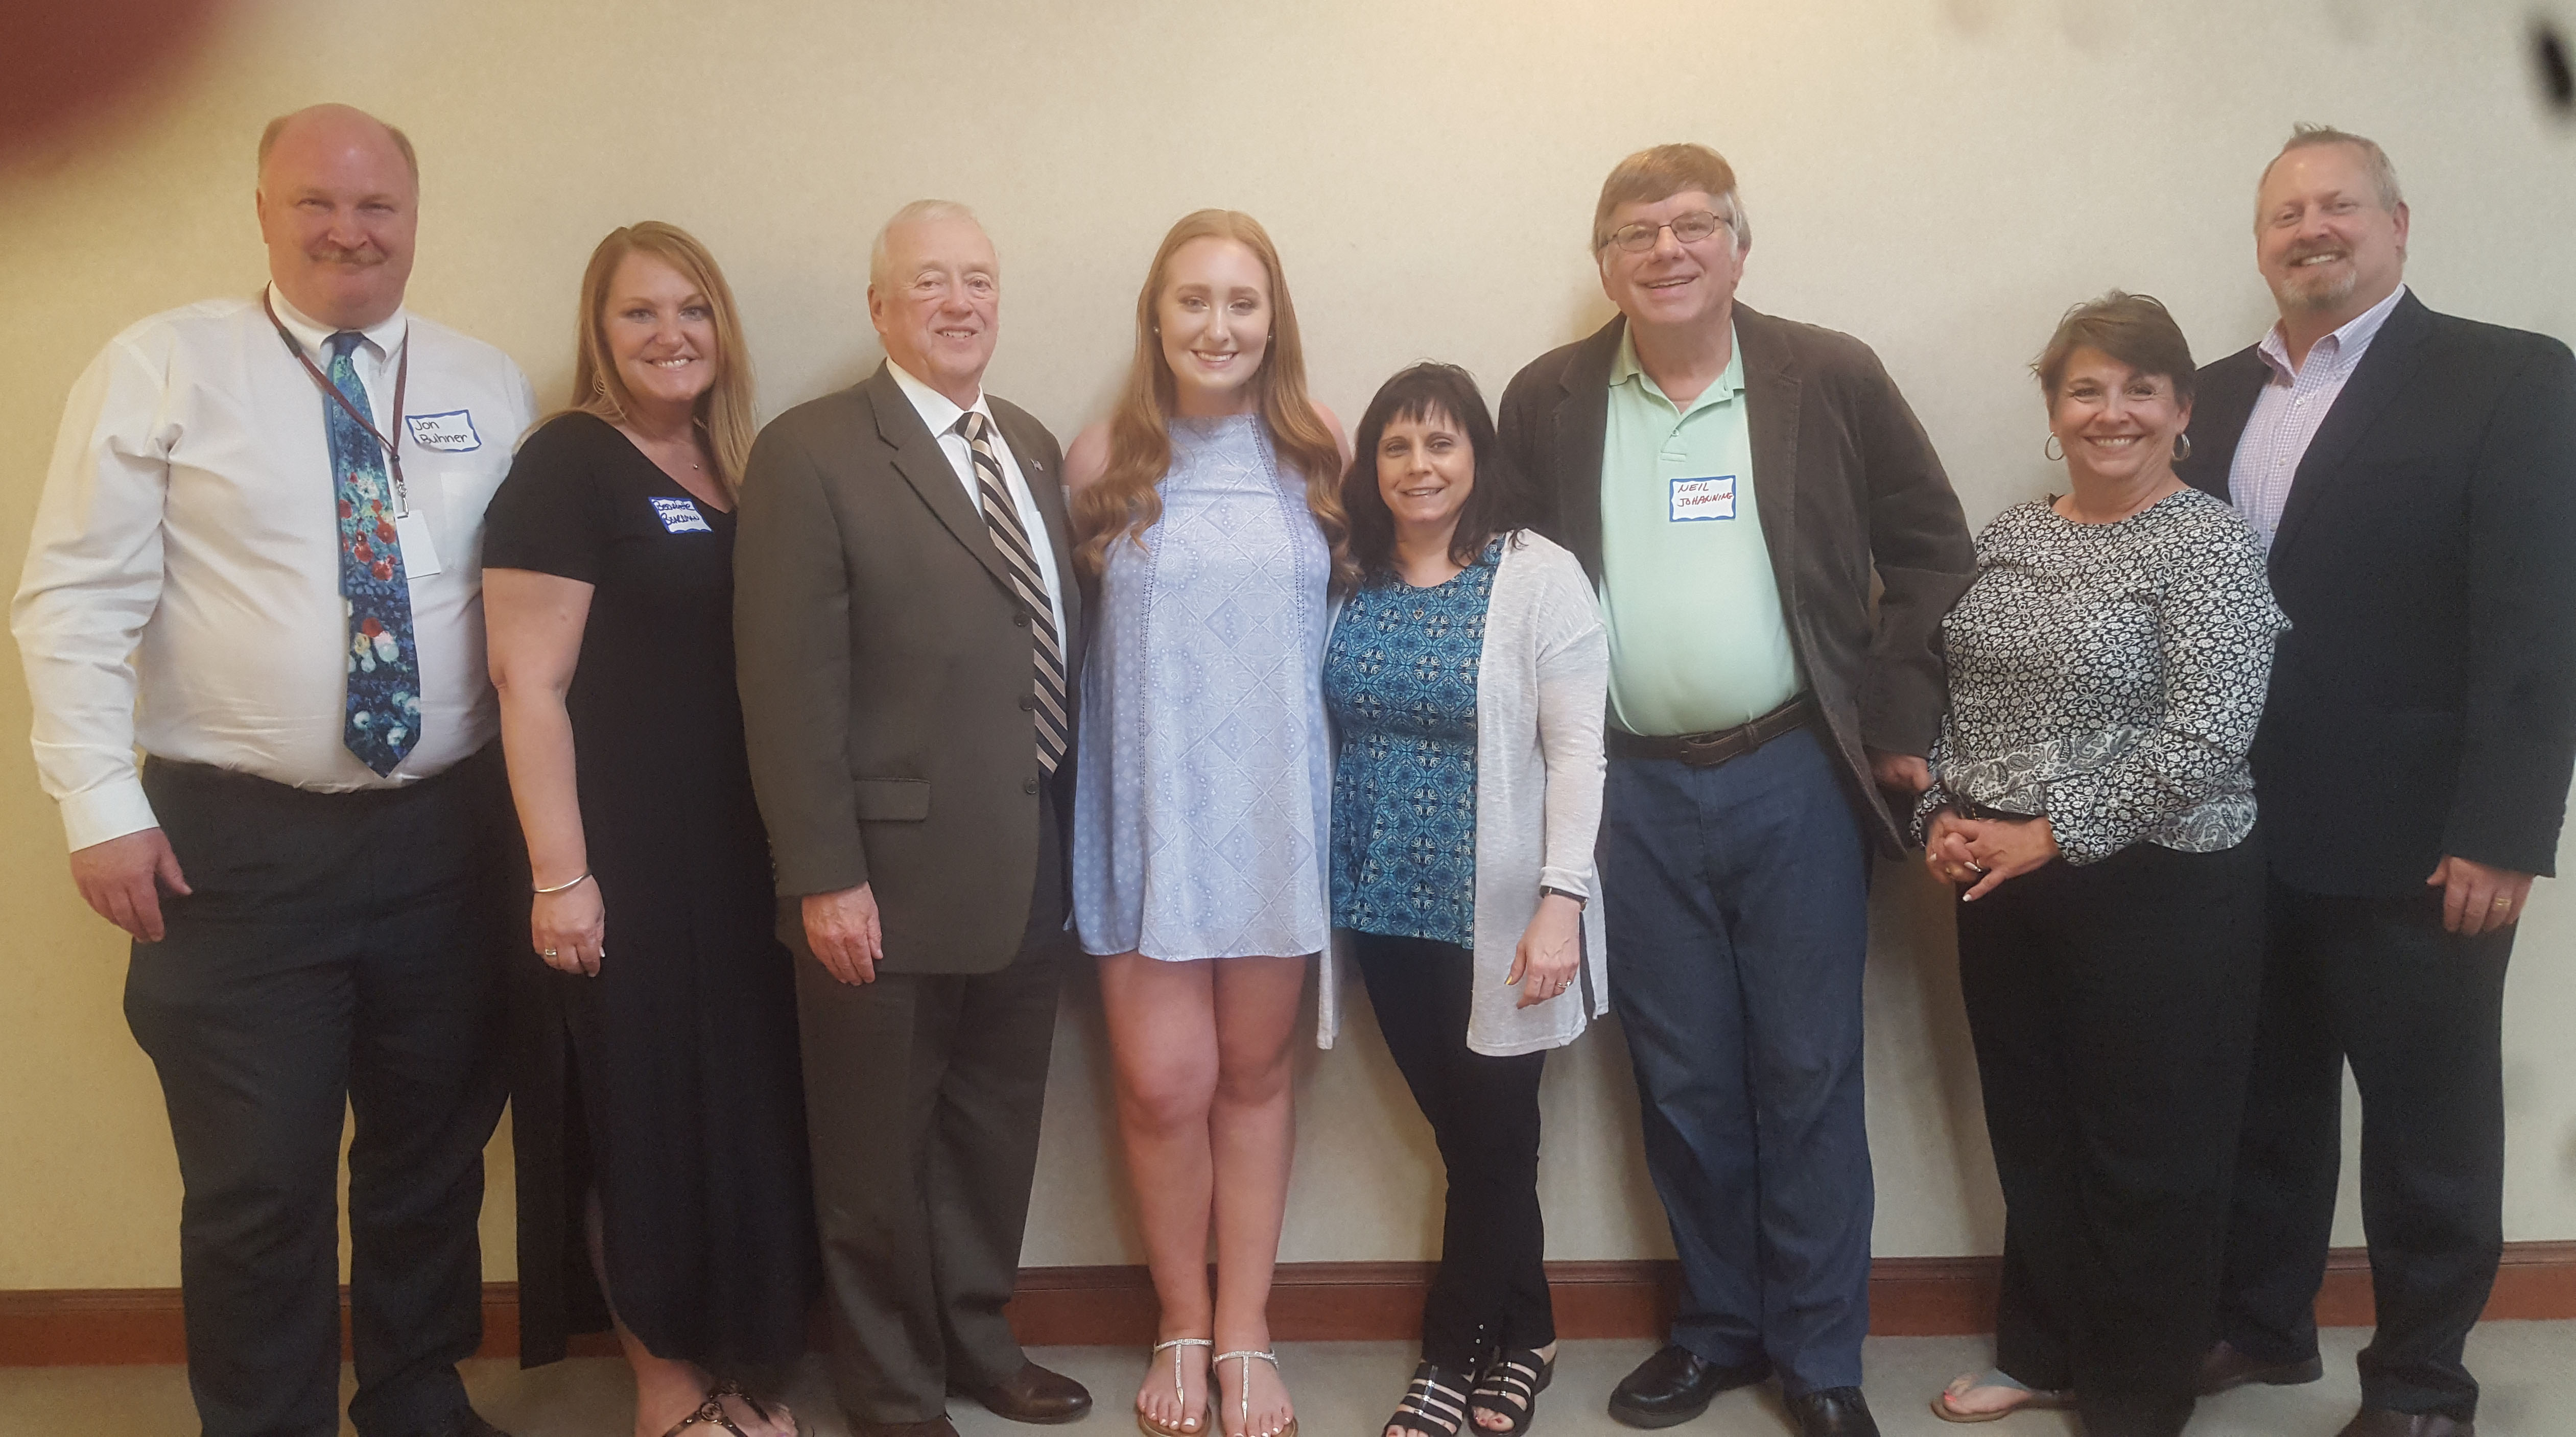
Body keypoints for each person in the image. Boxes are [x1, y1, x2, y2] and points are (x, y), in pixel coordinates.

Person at [11, 104, 532, 1437]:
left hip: (449, 841)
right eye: (316, 202)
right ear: (262, 211)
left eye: (377, 207)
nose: (349, 229)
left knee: (433, 1152)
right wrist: (97, 805)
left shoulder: (484, 381)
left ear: (416, 220)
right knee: (260, 1177)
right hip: (232, 850)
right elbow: (74, 598)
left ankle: (414, 1387)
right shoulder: (163, 367)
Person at [1497, 142, 1974, 1437]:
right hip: (1626, 796)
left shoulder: (1827, 374)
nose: (1665, 250)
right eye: (1634, 232)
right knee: (1683, 1076)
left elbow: (1931, 550)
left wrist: (1893, 716)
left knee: (1808, 1071)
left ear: (1738, 247)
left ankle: (1818, 1357)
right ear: (1601, 262)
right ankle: (1715, 1330)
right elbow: (1506, 592)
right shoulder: (1546, 399)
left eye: (1692, 224)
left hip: (1793, 781)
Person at [2179, 126, 2576, 1437]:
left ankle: (2418, 1384)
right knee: (2262, 1104)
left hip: (2419, 840)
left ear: (2397, 226)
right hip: (2232, 829)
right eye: (2285, 212)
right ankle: (2261, 1324)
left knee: (2428, 1132)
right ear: (2258, 243)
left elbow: (2536, 620)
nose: (2312, 229)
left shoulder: (2505, 377)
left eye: (2338, 205)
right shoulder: (2203, 396)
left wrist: (2503, 829)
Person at [733, 199, 1092, 1437]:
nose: (959, 302)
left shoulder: (1034, 445)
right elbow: (787, 690)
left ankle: (977, 1345)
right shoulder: (812, 451)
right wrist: (822, 874)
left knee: (991, 1141)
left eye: (978, 280)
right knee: (873, 1166)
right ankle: (888, 1390)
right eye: (929, 281)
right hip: (872, 882)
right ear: (878, 305)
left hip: (1024, 866)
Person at [1917, 294, 2285, 1436]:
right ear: (2052, 408)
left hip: (2160, 888)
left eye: (2137, 390)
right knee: (2034, 1127)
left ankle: (2135, 1391)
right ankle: (2042, 1351)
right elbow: (1951, 689)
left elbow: (2207, 734)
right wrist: (1939, 809)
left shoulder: (2210, 543)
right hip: (2001, 885)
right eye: (2084, 389)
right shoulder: (2010, 534)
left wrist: (2050, 831)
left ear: (2180, 411)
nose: (2109, 412)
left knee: (2148, 1149)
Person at [483, 222, 815, 1437]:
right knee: (641, 1121)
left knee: (727, 1113)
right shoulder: (571, 462)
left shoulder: (733, 468)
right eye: (639, 314)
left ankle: (728, 1366)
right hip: (619, 857)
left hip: (734, 863)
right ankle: (665, 1393)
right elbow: (528, 684)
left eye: (692, 309)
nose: (670, 335)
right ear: (599, 332)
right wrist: (561, 876)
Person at [1062, 208, 1347, 1437]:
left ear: (1271, 317)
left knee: (1253, 1073)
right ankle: (1180, 1321)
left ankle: (1244, 1337)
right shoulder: (1101, 459)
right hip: (1146, 810)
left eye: (1240, 301)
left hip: (1277, 811)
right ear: (1157, 317)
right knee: (1161, 1086)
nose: (1217, 325)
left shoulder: (1321, 451)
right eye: (1192, 301)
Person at [1313, 363, 1609, 1437]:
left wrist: (1558, 902)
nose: (1418, 466)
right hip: (1380, 909)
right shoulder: (1350, 578)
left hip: (1501, 920)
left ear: (1476, 455)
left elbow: (1578, 755)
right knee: (1476, 1142)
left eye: (1439, 444)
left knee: (1490, 1136)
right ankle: (1527, 1331)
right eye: (1395, 446)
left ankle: (1448, 1360)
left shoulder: (1535, 575)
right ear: (1371, 466)